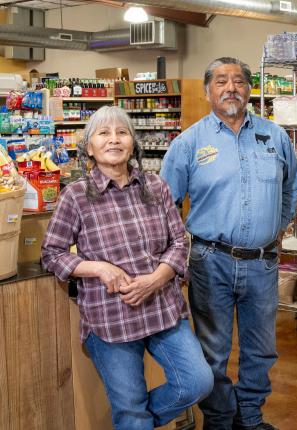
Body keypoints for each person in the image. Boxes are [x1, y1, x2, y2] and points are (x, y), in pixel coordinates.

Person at [41, 105, 214, 430]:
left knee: (197, 382)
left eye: (122, 132)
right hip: (111, 320)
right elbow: (51, 253)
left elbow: (179, 242)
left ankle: (134, 421)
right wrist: (98, 269)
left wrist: (158, 277)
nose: (114, 139)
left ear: (133, 143)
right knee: (130, 411)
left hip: (162, 311)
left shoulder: (155, 187)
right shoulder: (75, 196)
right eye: (103, 133)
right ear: (89, 147)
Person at [160, 57, 297, 430]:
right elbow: (165, 204)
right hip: (209, 261)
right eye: (221, 81)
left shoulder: (275, 136)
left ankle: (250, 418)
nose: (230, 87)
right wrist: (177, 259)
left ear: (249, 89)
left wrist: (276, 228)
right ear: (208, 91)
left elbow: (291, 189)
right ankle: (220, 420)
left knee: (261, 348)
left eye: (238, 80)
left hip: (263, 262)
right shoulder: (188, 143)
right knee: (213, 351)